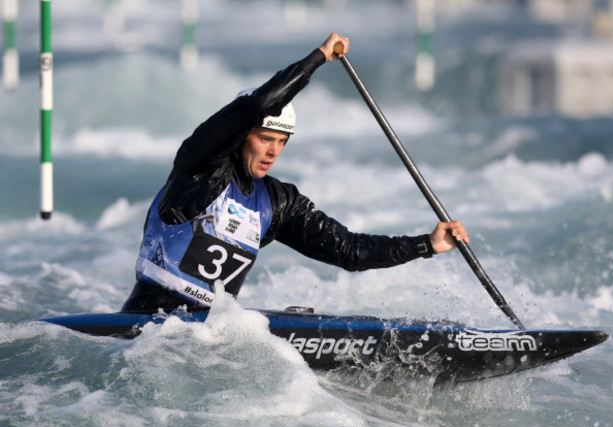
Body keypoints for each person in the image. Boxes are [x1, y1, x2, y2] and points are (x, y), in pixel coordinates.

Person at [120, 33, 469, 313]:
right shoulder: (199, 168)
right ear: (242, 137)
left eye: (282, 141)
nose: (274, 150)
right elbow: (258, 105)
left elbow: (348, 250)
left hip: (212, 342)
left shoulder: (279, 202)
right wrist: (317, 57)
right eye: (264, 138)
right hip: (150, 324)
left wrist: (427, 243)